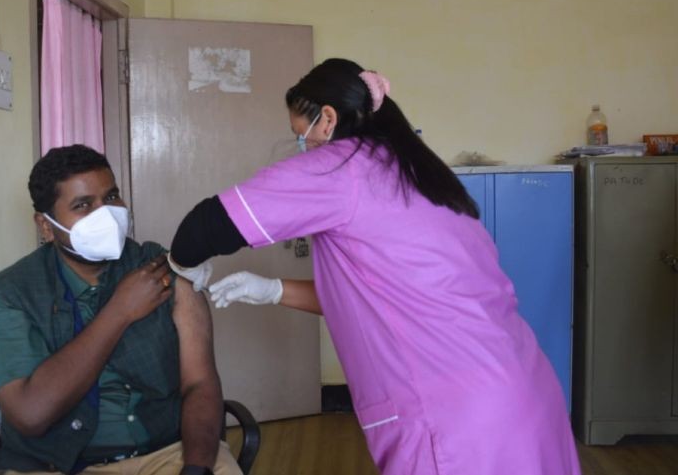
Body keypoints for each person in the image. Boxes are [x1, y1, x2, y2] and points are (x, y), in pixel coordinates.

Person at [166, 59, 581, 474]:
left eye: (301, 136)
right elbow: (381, 297)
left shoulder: (341, 169)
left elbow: (206, 225)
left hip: (457, 418)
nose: (303, 147)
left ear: (327, 119)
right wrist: (272, 289)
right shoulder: (417, 172)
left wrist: (182, 263)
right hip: (523, 390)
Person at [0, 144, 239, 475]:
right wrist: (120, 310)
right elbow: (30, 414)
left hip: (168, 452)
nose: (106, 214)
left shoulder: (164, 269)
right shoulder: (10, 293)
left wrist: (196, 469)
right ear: (46, 227)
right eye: (83, 205)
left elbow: (200, 384)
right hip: (54, 463)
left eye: (112, 197)